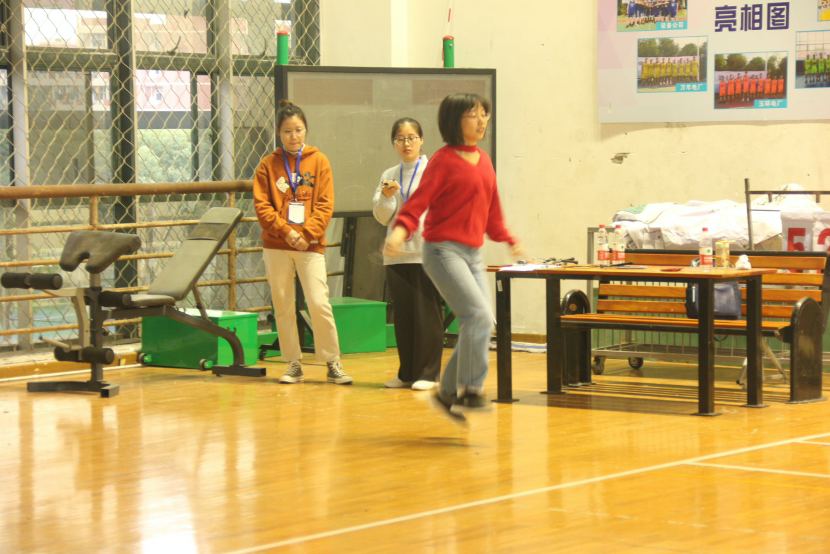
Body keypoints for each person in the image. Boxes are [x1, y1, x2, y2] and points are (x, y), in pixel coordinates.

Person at [384, 93, 524, 426]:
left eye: (484, 114)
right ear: (453, 121)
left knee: (482, 321)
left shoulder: (484, 160)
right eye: (473, 114)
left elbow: (492, 211)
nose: (482, 120)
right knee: (477, 316)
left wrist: (509, 238)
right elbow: (417, 202)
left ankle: (447, 391)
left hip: (473, 253)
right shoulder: (443, 160)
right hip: (442, 251)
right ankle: (469, 389)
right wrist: (399, 232)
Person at [252, 99, 352, 385]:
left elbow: (325, 204)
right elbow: (262, 206)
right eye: (287, 131)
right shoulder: (267, 164)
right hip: (277, 245)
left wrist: (306, 234)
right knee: (283, 305)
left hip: (310, 245)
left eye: (298, 130)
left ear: (306, 130)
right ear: (278, 132)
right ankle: (293, 363)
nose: (293, 136)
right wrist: (286, 232)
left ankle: (332, 362)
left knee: (319, 303)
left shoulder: (319, 161)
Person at [373, 117, 444, 391]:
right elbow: (382, 217)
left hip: (426, 252)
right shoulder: (389, 174)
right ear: (394, 143)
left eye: (412, 137)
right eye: (400, 138)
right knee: (403, 316)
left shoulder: (433, 170)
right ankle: (407, 374)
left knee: (427, 315)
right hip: (397, 254)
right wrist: (386, 197)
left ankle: (429, 374)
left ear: (421, 140)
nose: (406, 143)